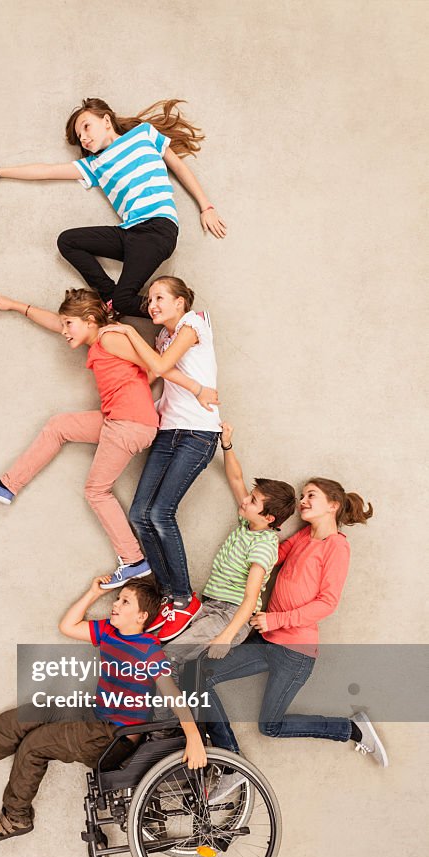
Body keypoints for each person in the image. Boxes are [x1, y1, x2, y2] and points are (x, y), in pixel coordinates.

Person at [0, 288, 217, 590]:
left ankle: (133, 559)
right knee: (59, 426)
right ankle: (7, 486)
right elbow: (56, 323)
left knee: (97, 491)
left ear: (89, 320)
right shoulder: (97, 337)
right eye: (65, 324)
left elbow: (155, 366)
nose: (64, 330)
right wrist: (16, 306)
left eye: (70, 324)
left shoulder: (111, 337)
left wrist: (197, 388)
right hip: (118, 420)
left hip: (130, 423)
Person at [0, 577, 206, 843]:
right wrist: (95, 592)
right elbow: (68, 626)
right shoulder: (109, 631)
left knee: (35, 745)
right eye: (117, 599)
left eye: (124, 602)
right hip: (94, 715)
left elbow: (173, 696)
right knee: (29, 714)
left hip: (115, 739)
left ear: (142, 617)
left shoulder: (149, 650)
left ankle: (17, 817)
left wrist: (193, 739)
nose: (115, 605)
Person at [196, 472, 389, 780]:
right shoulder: (303, 536)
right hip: (267, 641)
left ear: (333, 505)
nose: (303, 501)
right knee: (197, 677)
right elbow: (271, 555)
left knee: (269, 726)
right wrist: (256, 530)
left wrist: (276, 618)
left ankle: (350, 729)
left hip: (294, 652)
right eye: (302, 495)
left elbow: (327, 603)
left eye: (311, 495)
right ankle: (232, 763)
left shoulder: (336, 546)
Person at [0, 98, 226, 319]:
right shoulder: (94, 164)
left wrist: (206, 206)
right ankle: (110, 297)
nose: (84, 137)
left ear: (106, 120)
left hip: (157, 229)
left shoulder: (144, 134)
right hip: (130, 233)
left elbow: (179, 167)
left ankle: (183, 318)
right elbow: (46, 170)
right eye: (80, 136)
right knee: (68, 241)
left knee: (126, 301)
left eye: (86, 127)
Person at [98, 276, 222, 639]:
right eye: (149, 299)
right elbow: (153, 370)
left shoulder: (193, 323)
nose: (152, 305)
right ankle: (168, 594)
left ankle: (185, 597)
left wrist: (130, 334)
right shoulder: (163, 337)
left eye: (160, 298)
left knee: (161, 513)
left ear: (181, 302)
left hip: (199, 433)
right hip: (168, 431)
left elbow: (163, 364)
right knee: (140, 513)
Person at [162, 423, 295, 708]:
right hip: (211, 606)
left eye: (254, 500)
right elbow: (236, 479)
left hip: (229, 616)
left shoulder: (263, 545)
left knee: (170, 656)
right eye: (251, 496)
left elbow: (250, 599)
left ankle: (167, 720)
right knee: (164, 645)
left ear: (269, 517)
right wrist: (227, 445)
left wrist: (226, 636)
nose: (246, 500)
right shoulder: (248, 522)